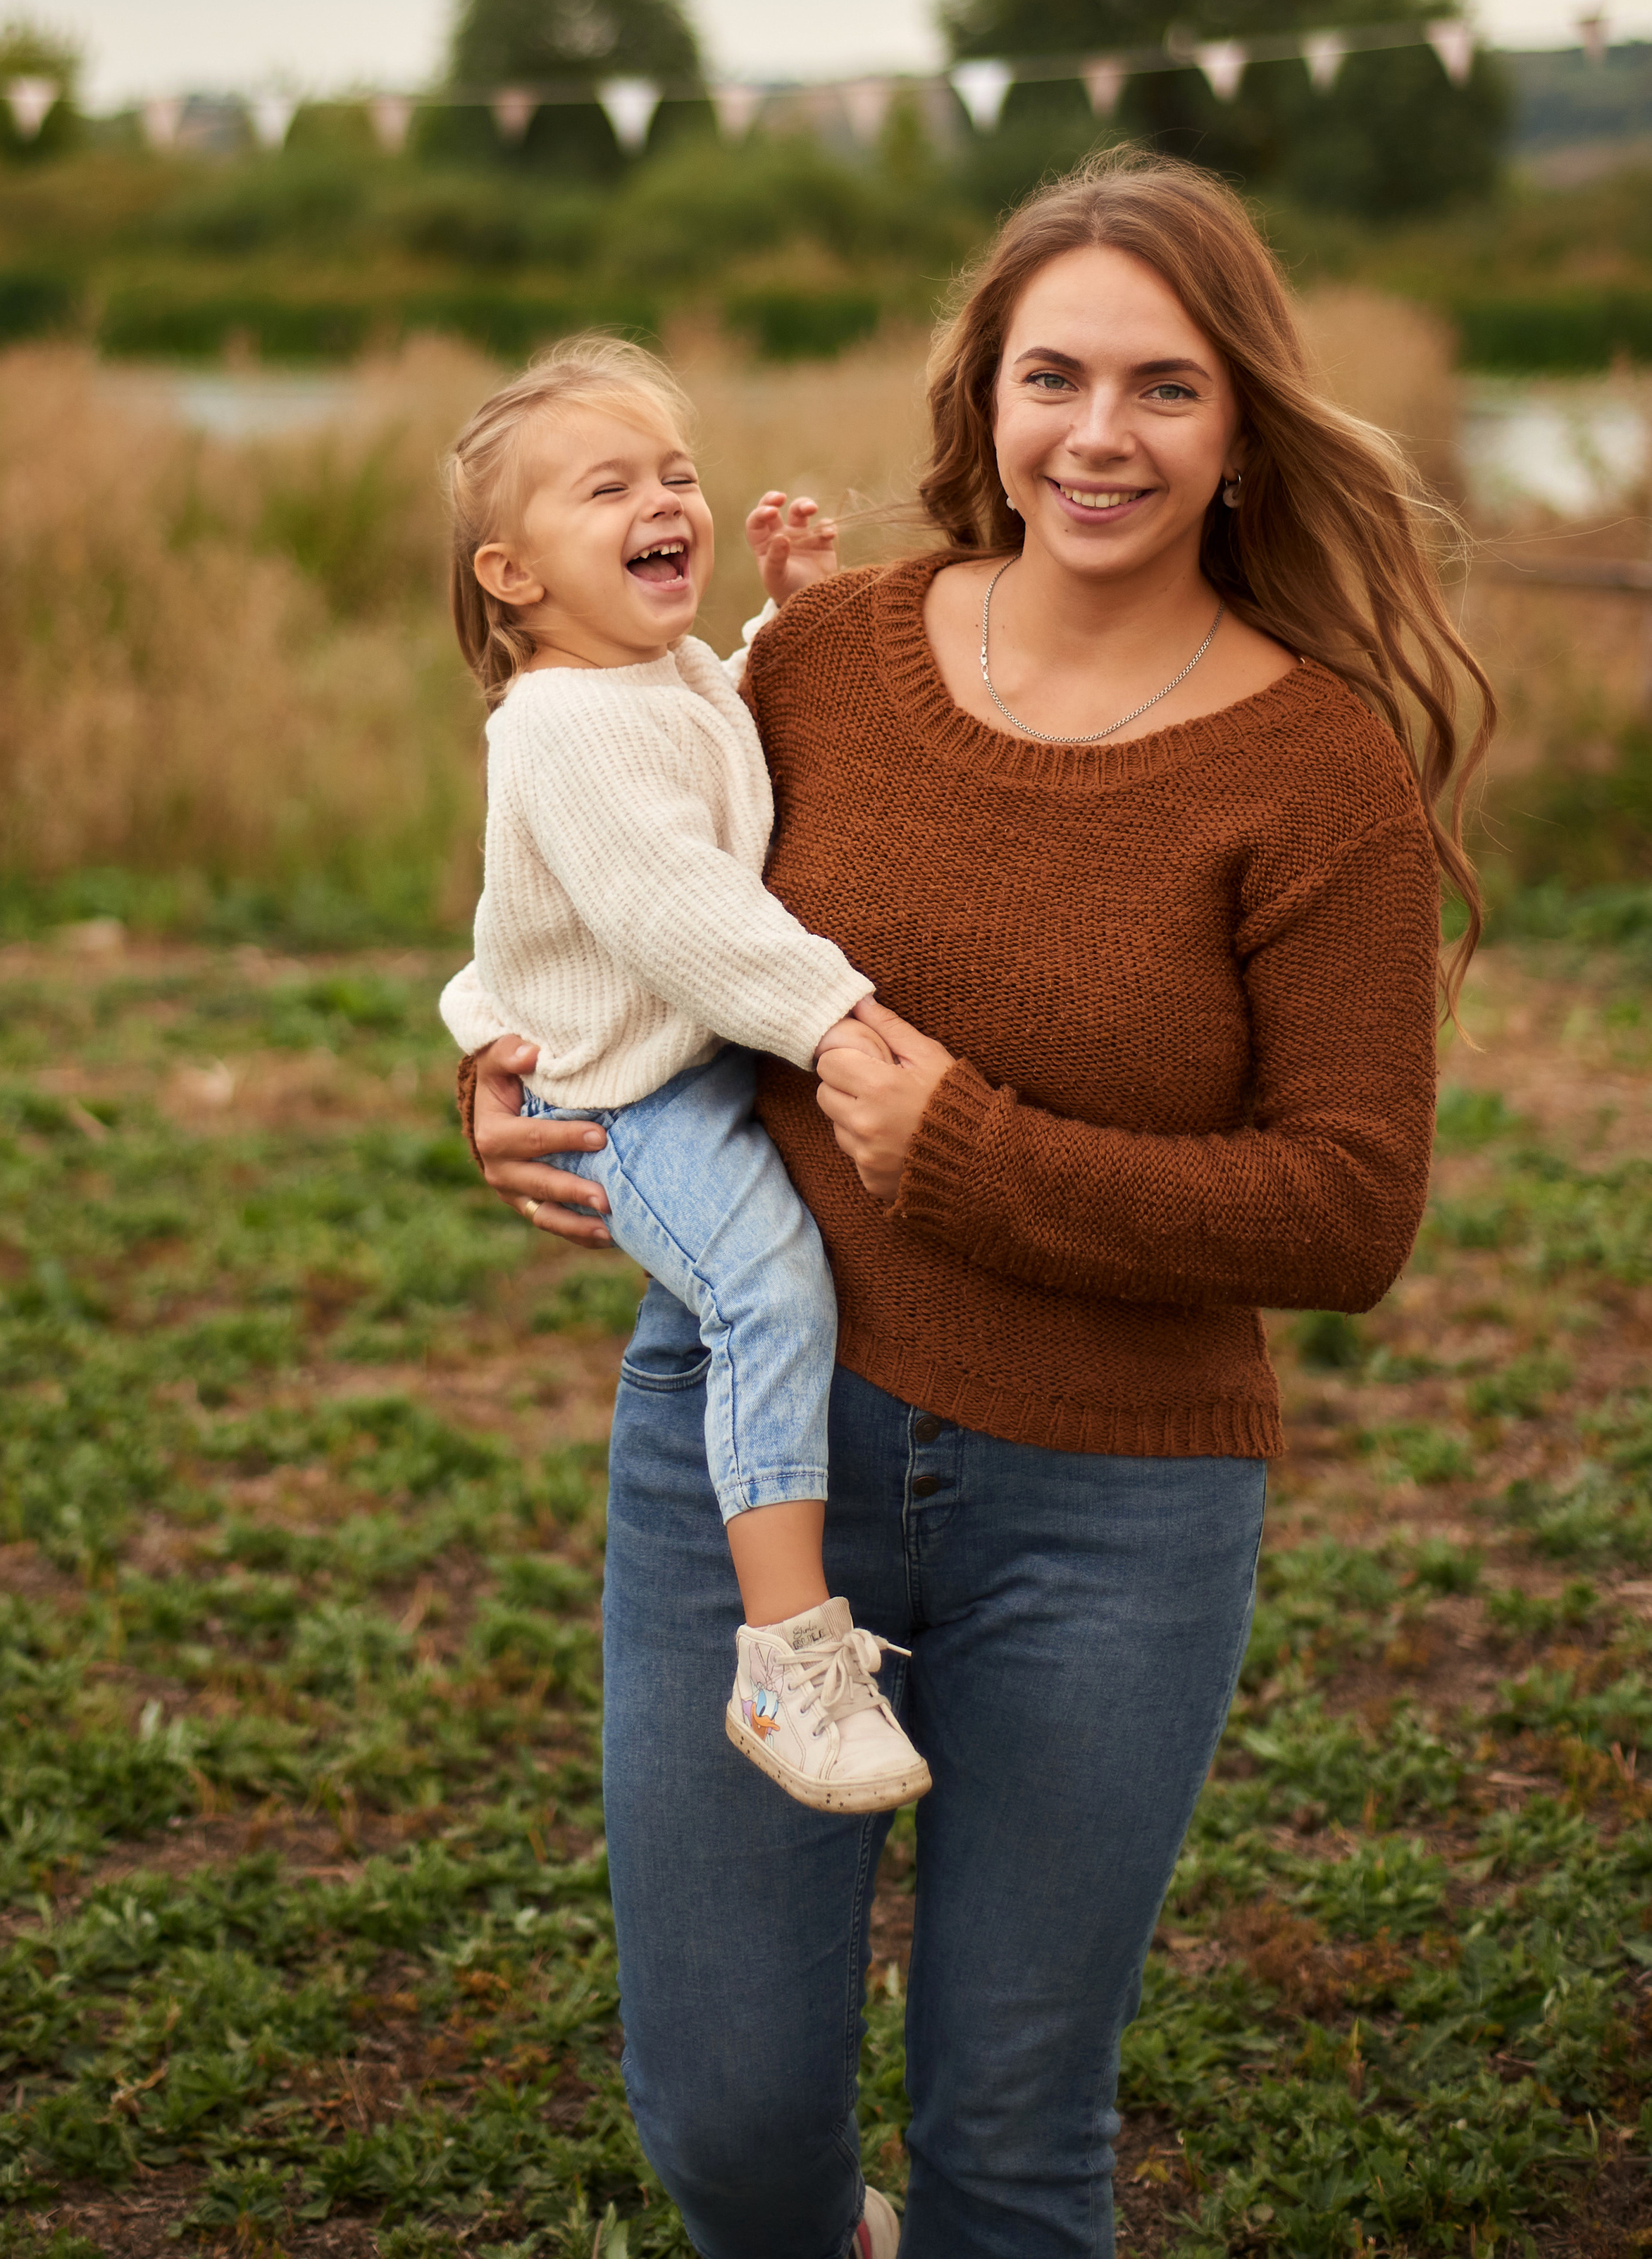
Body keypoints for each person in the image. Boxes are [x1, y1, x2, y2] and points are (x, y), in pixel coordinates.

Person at [457, 154, 1495, 2259]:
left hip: (1113, 1513)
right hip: (751, 1462)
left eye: (1163, 387)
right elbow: (626, 878)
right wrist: (498, 1071)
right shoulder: (829, 654)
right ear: (987, 396)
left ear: (1240, 425)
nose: (1099, 434)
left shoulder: (1316, 774)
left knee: (1013, 2140)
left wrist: (977, 1156)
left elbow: (1349, 1210)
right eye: (1053, 377)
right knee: (729, 2122)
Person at [437, 335, 931, 1821]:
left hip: (687, 1064)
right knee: (765, 1287)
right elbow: (680, 910)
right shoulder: (560, 724)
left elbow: (729, 727)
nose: (664, 502)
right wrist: (837, 1019)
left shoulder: (661, 672)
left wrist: (791, 614)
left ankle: (798, 1638)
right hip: (622, 1098)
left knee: (774, 1278)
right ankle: (787, 1654)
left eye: (677, 475)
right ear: (513, 576)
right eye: (609, 490)